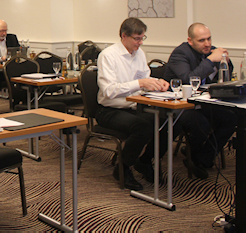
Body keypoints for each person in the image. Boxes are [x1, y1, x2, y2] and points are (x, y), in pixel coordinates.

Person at [96, 17, 169, 191]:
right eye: (137, 38)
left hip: (135, 107)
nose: (140, 42)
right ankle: (123, 168)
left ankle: (144, 161)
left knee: (167, 122)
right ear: (124, 36)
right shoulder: (108, 56)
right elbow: (109, 91)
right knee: (142, 127)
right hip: (109, 110)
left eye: (142, 38)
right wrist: (140, 83)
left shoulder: (140, 54)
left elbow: (144, 78)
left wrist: (157, 82)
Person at [163, 23, 237, 179]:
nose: (207, 44)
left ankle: (202, 158)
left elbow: (224, 79)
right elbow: (188, 80)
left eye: (209, 39)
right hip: (179, 104)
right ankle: (193, 154)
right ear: (190, 41)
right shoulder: (180, 54)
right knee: (201, 123)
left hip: (202, 102)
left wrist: (225, 61)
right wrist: (210, 61)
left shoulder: (211, 51)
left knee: (231, 117)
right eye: (202, 40)